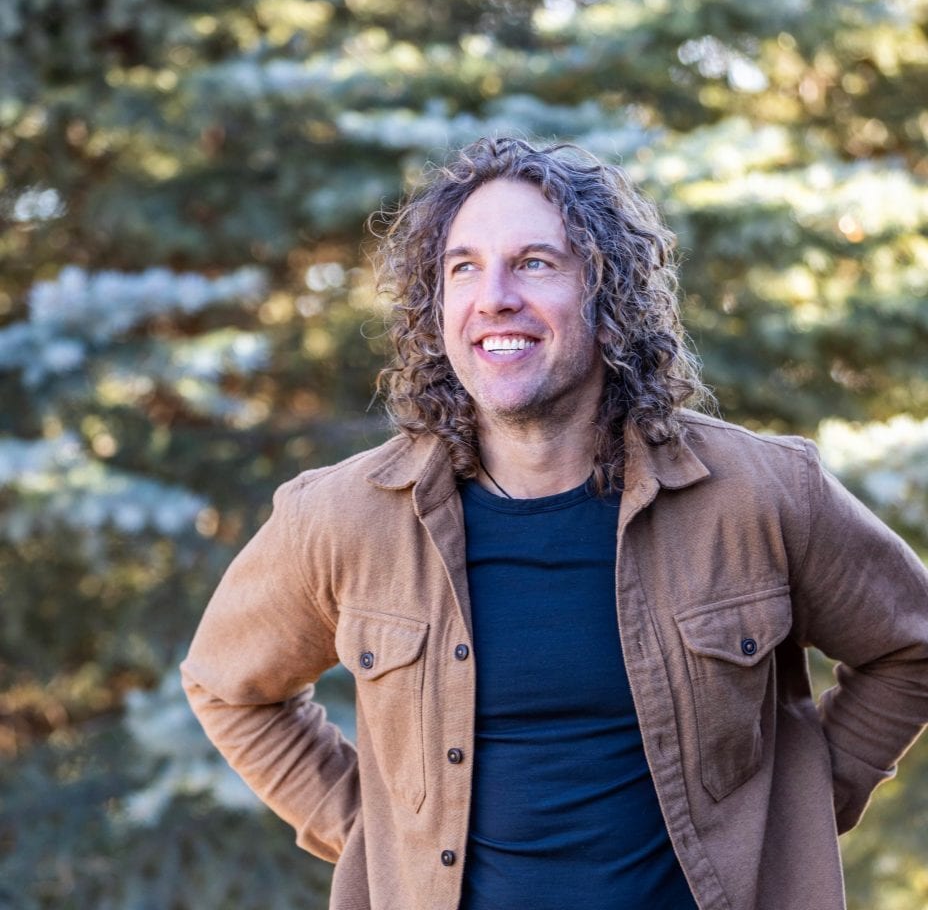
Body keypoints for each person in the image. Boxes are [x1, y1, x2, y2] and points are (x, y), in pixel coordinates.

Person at [181, 137, 928, 910]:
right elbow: (227, 687)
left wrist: (789, 811)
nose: (494, 296)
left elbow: (912, 646)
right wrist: (383, 834)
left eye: (535, 263)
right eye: (463, 267)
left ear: (608, 294)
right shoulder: (343, 517)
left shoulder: (759, 494)